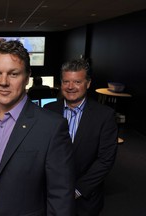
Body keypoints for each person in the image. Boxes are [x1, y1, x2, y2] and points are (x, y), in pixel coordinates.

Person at [0, 40, 75, 216]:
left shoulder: (51, 127)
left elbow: (61, 196)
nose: (3, 82)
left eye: (13, 74)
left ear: (27, 77)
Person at [43, 59, 118, 216]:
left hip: (85, 199)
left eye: (77, 81)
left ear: (88, 83)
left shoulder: (105, 116)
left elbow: (105, 160)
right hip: (49, 195)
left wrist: (77, 190)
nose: (70, 87)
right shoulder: (48, 110)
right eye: (66, 81)